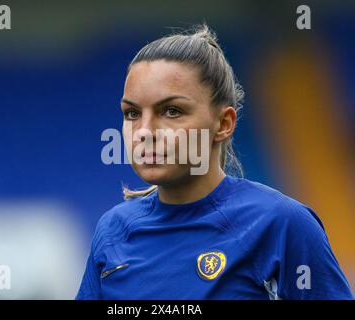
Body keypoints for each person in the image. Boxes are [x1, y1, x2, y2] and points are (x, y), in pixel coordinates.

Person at [76, 24, 353, 299]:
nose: (145, 131)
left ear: (223, 123)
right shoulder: (112, 230)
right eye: (132, 113)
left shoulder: (281, 224)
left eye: (172, 111)